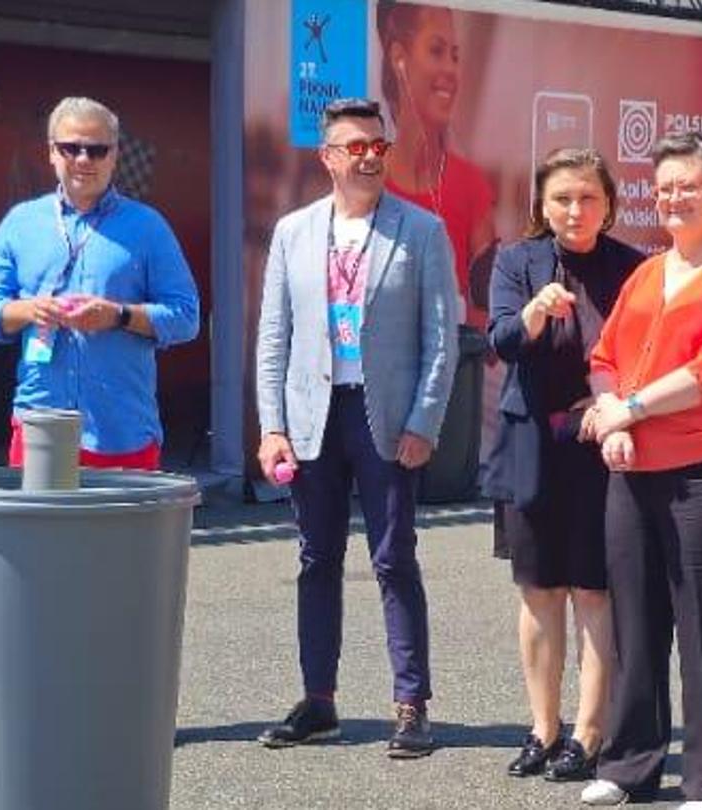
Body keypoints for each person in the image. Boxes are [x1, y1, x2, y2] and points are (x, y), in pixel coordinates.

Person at [575, 132, 702, 810]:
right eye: (663, 187)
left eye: (688, 186)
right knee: (635, 622)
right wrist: (613, 418)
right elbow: (604, 357)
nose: (673, 198)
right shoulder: (648, 273)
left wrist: (628, 410)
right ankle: (629, 763)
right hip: (636, 467)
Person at [254, 97, 460, 759]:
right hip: (313, 416)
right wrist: (272, 426)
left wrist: (425, 421)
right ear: (328, 157)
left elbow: (441, 339)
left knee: (394, 559)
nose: (369, 157)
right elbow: (274, 338)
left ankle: (411, 705)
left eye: (378, 146)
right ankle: (319, 701)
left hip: (387, 417)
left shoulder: (421, 231)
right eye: (355, 147)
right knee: (317, 560)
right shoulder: (294, 232)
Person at [483, 147, 645, 782]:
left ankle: (589, 732)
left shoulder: (632, 268)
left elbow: (647, 353)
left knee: (593, 590)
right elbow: (500, 340)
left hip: (598, 445)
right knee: (539, 588)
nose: (575, 210)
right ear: (542, 206)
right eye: (562, 199)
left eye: (588, 198)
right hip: (530, 443)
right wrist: (532, 312)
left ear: (608, 205)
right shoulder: (517, 261)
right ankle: (543, 728)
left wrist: (607, 400)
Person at [0, 96, 201, 470]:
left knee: (125, 515)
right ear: (51, 152)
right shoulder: (20, 223)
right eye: (71, 148)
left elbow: (186, 317)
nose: (83, 160)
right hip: (40, 425)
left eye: (97, 150)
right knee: (37, 514)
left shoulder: (148, 227)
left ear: (114, 156)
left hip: (120, 430)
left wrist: (119, 316)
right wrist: (30, 310)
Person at [377, 0, 497, 326]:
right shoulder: (365, 180)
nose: (450, 69)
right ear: (399, 58)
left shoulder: (471, 187)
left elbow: (488, 317)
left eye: (454, 56)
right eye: (436, 51)